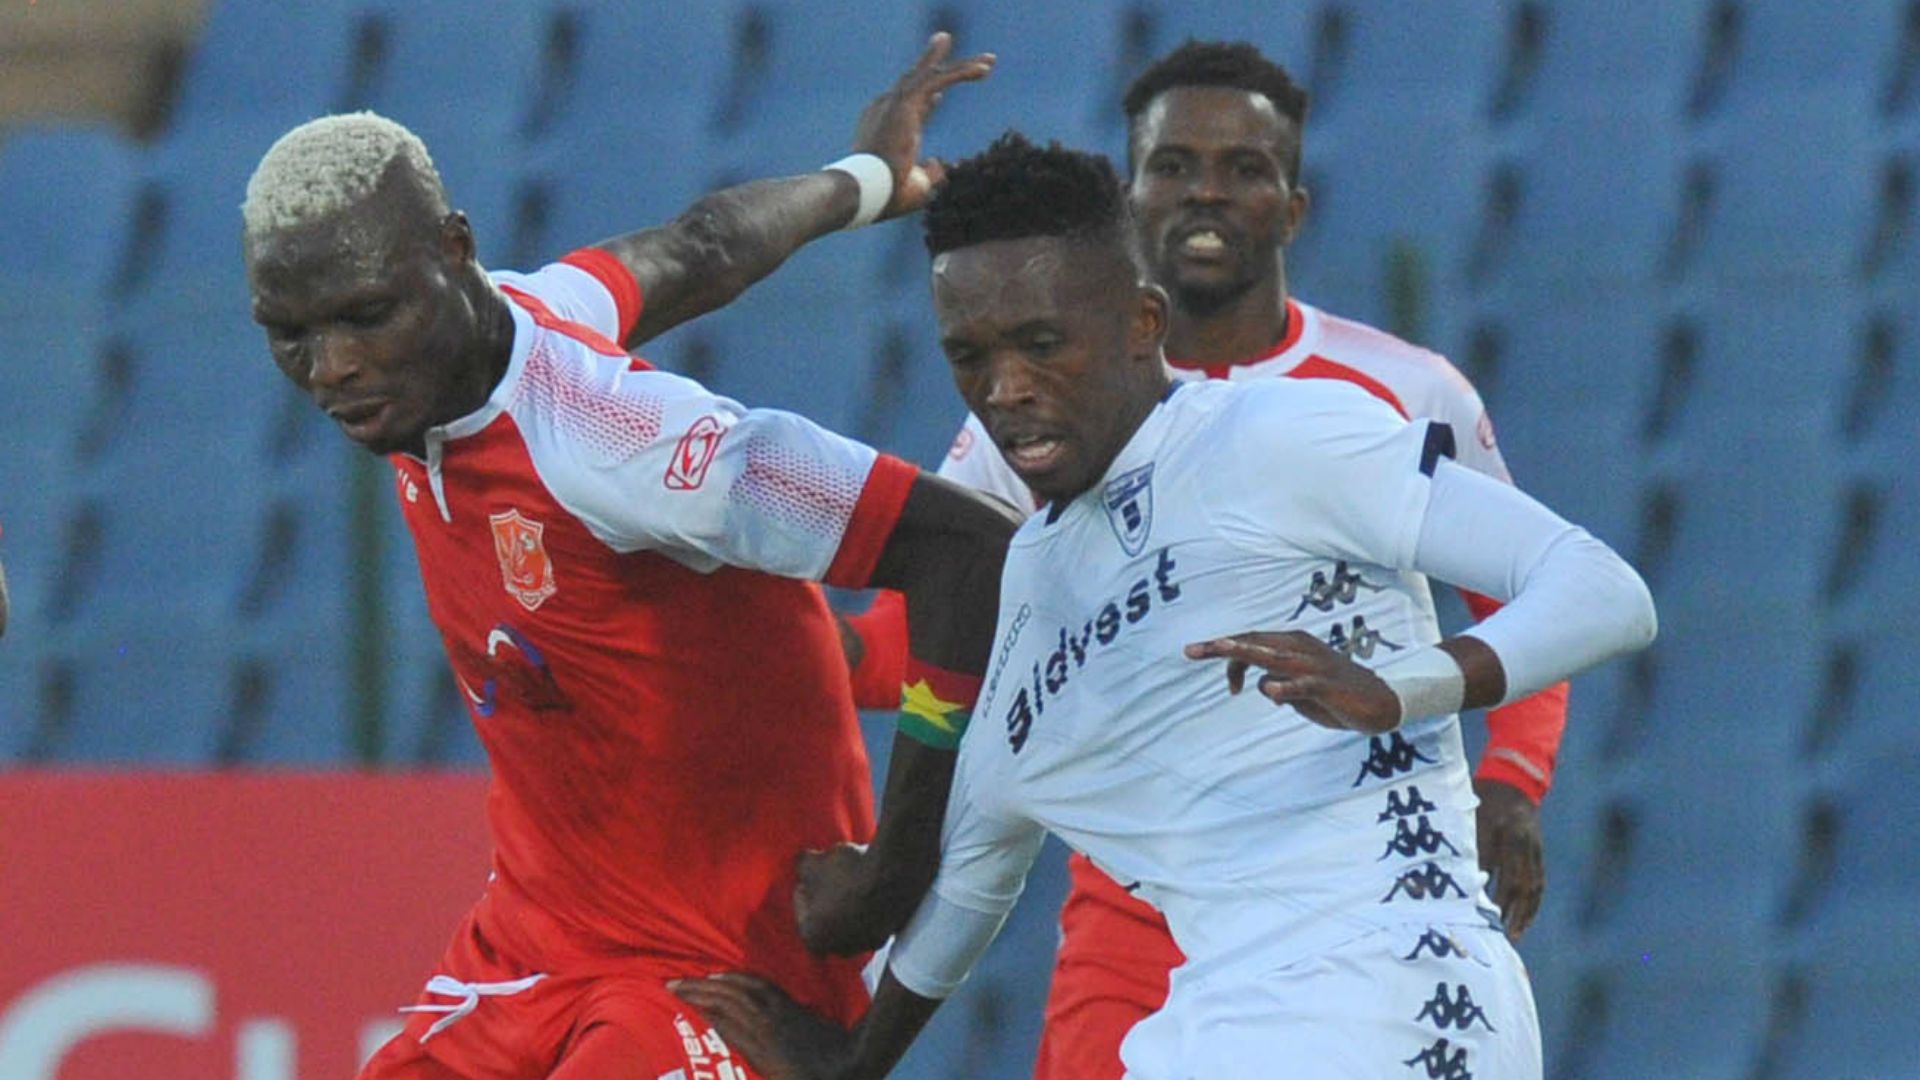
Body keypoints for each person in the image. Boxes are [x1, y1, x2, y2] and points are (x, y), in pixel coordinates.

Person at [672, 134, 1655, 1079]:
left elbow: (1603, 591)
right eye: (969, 357)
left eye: (1041, 343)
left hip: (1395, 988)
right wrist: (851, 1058)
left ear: (1143, 323)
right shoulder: (1029, 605)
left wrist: (1400, 688)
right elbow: (971, 879)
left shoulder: (1284, 437)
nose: (1005, 389)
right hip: (1206, 1026)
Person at [243, 36, 1021, 1080]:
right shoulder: (506, 321)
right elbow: (699, 248)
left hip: (710, 973)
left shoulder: (626, 444)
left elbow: (963, 550)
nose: (333, 367)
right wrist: (869, 180)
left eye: (367, 315)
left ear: (454, 248)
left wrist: (892, 875)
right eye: (290, 335)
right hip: (531, 948)